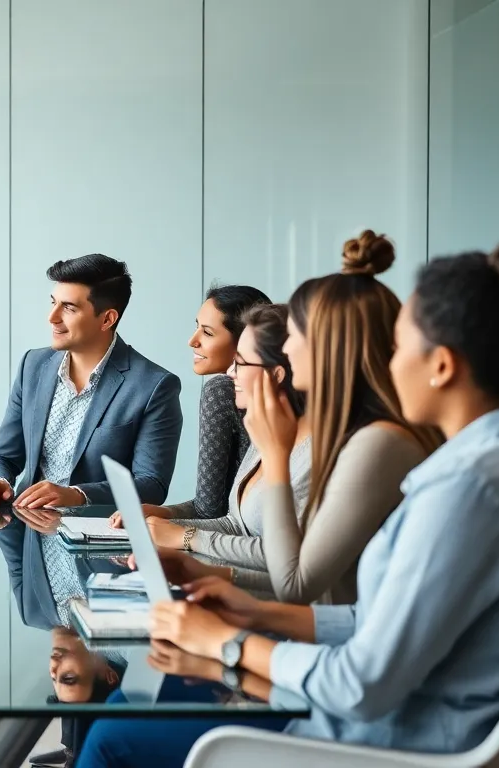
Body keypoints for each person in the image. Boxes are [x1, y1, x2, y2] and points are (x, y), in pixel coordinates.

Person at [79, 234, 499, 767]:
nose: (385, 360)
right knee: (136, 701)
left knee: (113, 736)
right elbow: (380, 625)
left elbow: (362, 683)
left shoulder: (473, 489)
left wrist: (229, 642)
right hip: (389, 716)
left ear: (443, 366)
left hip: (377, 743)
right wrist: (251, 612)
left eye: (399, 346)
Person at [144, 232, 441, 605]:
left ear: (327, 349)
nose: (285, 348)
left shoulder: (377, 442)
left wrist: (277, 456)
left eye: (294, 333)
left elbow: (297, 583)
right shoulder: (347, 433)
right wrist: (200, 571)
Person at [126, 304, 312, 597]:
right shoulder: (267, 434)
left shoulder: (313, 457)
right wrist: (163, 524)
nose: (230, 372)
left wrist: (187, 537)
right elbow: (234, 524)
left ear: (276, 374)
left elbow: (288, 560)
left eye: (241, 362)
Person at [0, 254, 183, 509]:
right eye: (53, 303)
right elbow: (3, 455)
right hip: (28, 531)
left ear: (107, 319)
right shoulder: (33, 365)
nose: (52, 317)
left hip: (100, 540)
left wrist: (76, 495)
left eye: (69, 308)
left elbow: (152, 485)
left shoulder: (154, 386)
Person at [148, 284, 270, 520]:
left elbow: (209, 510)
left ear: (245, 340)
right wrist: (160, 513)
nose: (193, 341)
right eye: (197, 327)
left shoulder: (221, 390)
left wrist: (163, 519)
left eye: (208, 333)